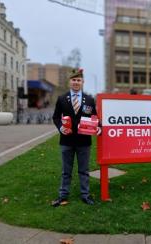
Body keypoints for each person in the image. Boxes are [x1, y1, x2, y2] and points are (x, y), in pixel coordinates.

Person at [51, 68, 101, 207]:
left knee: (84, 170)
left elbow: (94, 117)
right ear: (69, 82)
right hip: (66, 141)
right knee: (66, 171)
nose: (76, 82)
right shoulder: (62, 99)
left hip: (84, 141)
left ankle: (85, 195)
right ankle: (63, 195)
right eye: (74, 80)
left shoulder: (89, 99)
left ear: (83, 82)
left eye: (79, 80)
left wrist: (98, 127)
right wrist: (61, 127)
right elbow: (56, 117)